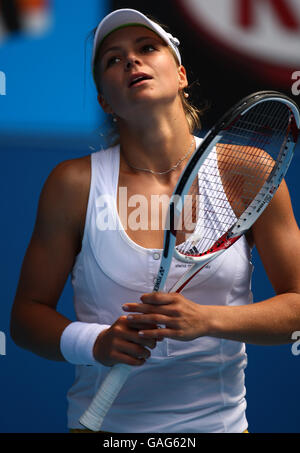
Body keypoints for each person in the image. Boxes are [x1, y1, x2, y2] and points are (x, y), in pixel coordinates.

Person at [10, 8, 300, 434]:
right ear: (104, 101)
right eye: (113, 59)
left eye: (147, 48)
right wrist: (97, 343)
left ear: (181, 74)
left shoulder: (247, 173)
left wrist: (207, 320)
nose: (131, 61)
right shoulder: (72, 185)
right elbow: (25, 318)